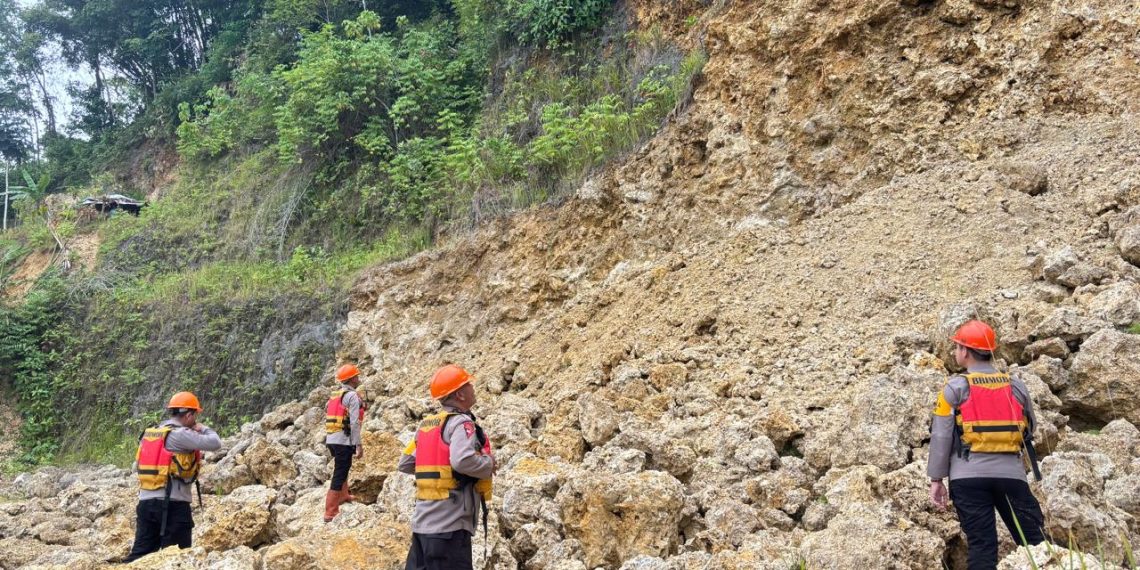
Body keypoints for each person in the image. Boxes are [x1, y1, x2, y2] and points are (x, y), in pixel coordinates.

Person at [928, 320, 1047, 570]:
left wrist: (937, 480)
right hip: (1012, 478)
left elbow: (941, 436)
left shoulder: (954, 388)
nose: (954, 352)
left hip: (967, 479)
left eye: (957, 347)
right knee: (1035, 543)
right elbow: (1030, 427)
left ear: (966, 352)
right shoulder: (1016, 386)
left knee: (982, 545)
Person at [399, 364, 496, 570]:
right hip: (450, 529)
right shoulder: (461, 423)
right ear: (460, 394)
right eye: (469, 384)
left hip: (422, 527)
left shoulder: (427, 425)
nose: (473, 388)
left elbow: (406, 463)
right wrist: (488, 464)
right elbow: (462, 460)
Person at [124, 391, 221, 562]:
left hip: (146, 505)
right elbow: (215, 442)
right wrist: (203, 428)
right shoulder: (181, 434)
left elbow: (137, 465)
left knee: (140, 557)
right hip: (173, 506)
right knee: (178, 559)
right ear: (189, 415)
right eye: (195, 415)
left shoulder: (151, 433)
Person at [324, 363, 366, 522]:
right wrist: (358, 444)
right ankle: (330, 511)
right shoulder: (352, 396)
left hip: (332, 439)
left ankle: (343, 495)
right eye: (357, 376)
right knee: (340, 472)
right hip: (343, 440)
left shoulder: (335, 395)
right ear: (352, 379)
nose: (358, 378)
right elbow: (354, 422)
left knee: (344, 466)